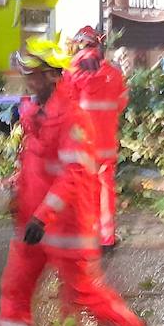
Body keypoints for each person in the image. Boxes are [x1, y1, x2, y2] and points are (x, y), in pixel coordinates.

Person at [0, 38, 146, 326]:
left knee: (86, 295)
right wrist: (14, 194)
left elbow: (74, 174)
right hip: (31, 223)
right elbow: (35, 167)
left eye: (33, 73)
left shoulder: (72, 117)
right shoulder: (33, 111)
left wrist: (43, 216)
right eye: (25, 72)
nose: (26, 79)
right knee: (15, 289)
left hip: (65, 225)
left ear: (52, 76)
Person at [67, 26, 128, 250]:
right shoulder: (114, 74)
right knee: (105, 190)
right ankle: (107, 237)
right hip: (106, 144)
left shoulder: (72, 72)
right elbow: (121, 103)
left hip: (82, 145)